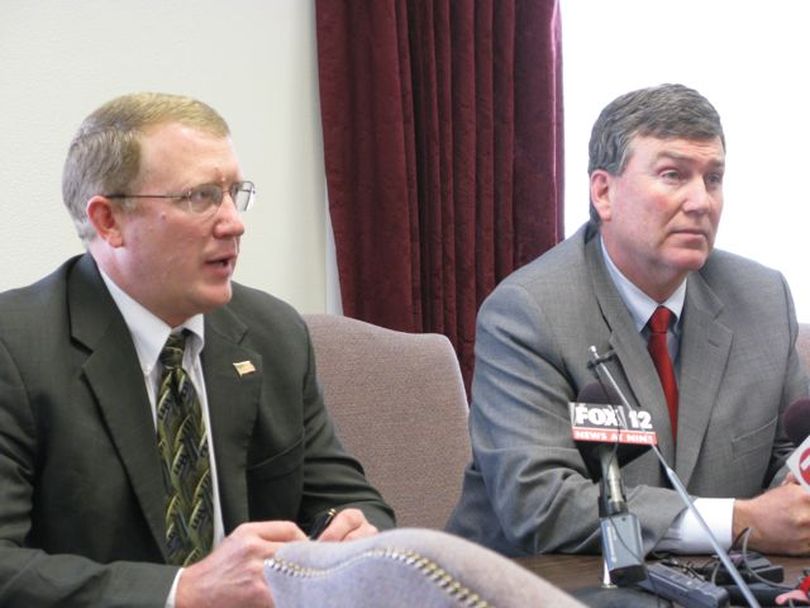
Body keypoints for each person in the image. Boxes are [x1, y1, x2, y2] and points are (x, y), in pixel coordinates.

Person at [0, 92, 395, 607]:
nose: (234, 222)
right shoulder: (16, 349)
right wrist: (181, 592)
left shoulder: (272, 333)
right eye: (201, 197)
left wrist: (353, 536)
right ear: (108, 222)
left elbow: (350, 500)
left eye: (235, 193)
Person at [446, 83, 810, 558]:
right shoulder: (528, 312)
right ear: (604, 193)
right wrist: (737, 523)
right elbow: (543, 505)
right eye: (673, 175)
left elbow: (787, 457)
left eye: (713, 178)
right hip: (535, 586)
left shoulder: (762, 299)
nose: (701, 201)